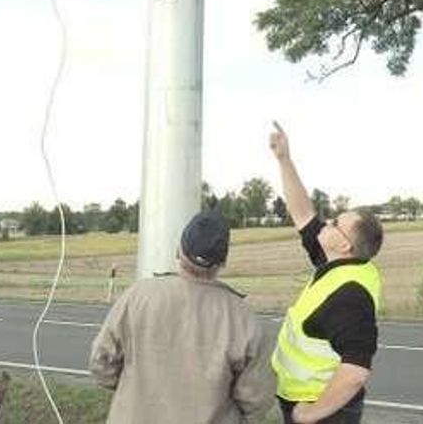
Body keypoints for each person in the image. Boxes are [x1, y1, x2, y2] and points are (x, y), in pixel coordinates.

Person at [88, 210, 275, 423]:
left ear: (178, 250)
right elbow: (256, 399)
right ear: (222, 263)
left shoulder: (136, 296)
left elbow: (101, 363)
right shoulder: (244, 319)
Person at [268, 121, 384, 424]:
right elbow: (303, 214)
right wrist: (284, 159)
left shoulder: (351, 297)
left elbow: (356, 372)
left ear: (344, 245)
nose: (327, 223)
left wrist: (310, 415)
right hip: (304, 401)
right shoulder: (334, 263)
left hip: (327, 413)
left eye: (335, 224)